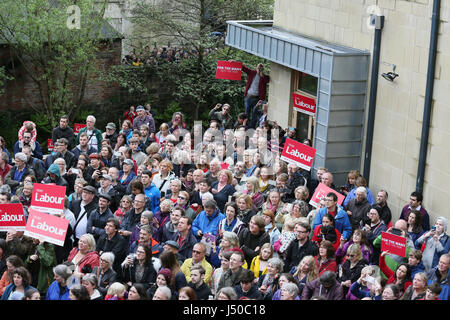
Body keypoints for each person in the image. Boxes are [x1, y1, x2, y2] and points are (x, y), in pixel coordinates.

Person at [241, 63, 270, 127]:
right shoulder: (252, 73)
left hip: (257, 99)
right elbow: (244, 68)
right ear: (256, 68)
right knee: (247, 112)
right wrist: (235, 62)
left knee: (255, 113)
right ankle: (246, 126)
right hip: (248, 97)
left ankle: (252, 127)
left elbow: (268, 80)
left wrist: (262, 74)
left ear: (263, 69)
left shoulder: (264, 77)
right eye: (258, 68)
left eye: (261, 68)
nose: (259, 69)